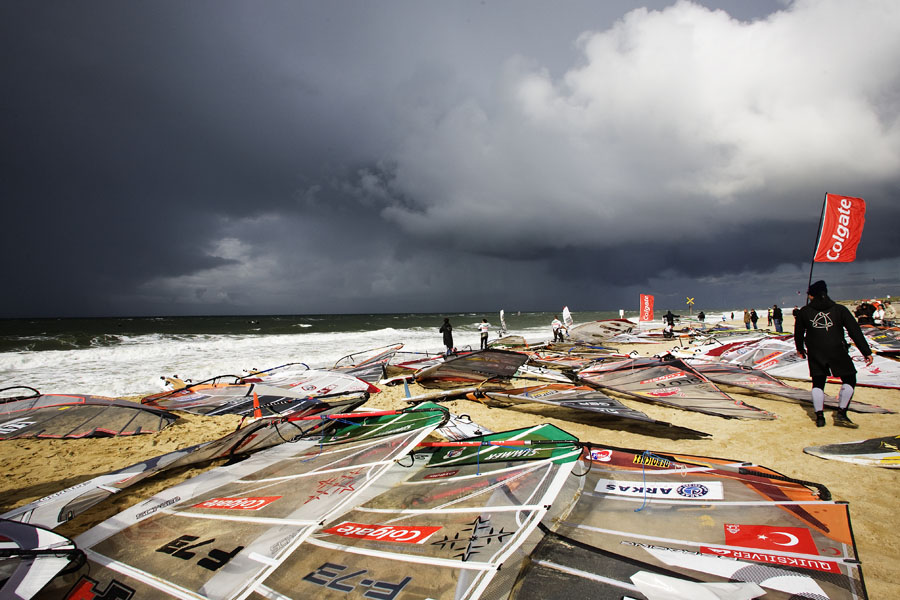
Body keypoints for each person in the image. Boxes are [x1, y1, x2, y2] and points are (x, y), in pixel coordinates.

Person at [795, 280, 874, 428]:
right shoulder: (839, 309)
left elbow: (798, 333)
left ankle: (819, 417)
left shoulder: (804, 312)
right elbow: (854, 331)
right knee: (849, 378)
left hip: (815, 351)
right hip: (837, 349)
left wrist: (800, 349)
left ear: (811, 295)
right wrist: (866, 351)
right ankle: (841, 413)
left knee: (818, 382)